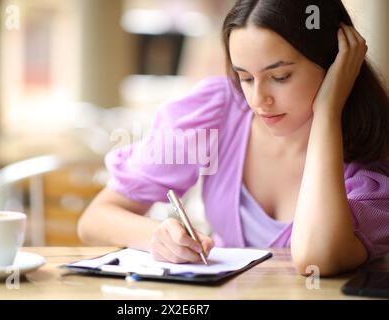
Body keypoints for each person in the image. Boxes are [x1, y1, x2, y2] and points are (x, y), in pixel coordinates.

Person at [78, 0, 389, 276]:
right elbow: (95, 219)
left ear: (334, 64)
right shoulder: (218, 110)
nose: (258, 99)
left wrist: (328, 113)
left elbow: (317, 260)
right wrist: (156, 236)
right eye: (245, 77)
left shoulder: (373, 160)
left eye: (280, 77)